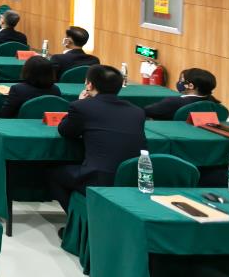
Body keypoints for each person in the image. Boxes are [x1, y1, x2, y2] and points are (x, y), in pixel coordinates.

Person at [49, 64, 147, 210]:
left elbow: (65, 130)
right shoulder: (137, 111)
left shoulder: (81, 107)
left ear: (89, 85)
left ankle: (81, 220)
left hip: (99, 178)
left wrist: (80, 102)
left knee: (53, 174)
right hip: (132, 177)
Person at [144, 67, 218, 121]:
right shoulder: (214, 103)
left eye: (182, 80)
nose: (179, 83)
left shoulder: (173, 102)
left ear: (191, 86)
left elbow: (146, 111)